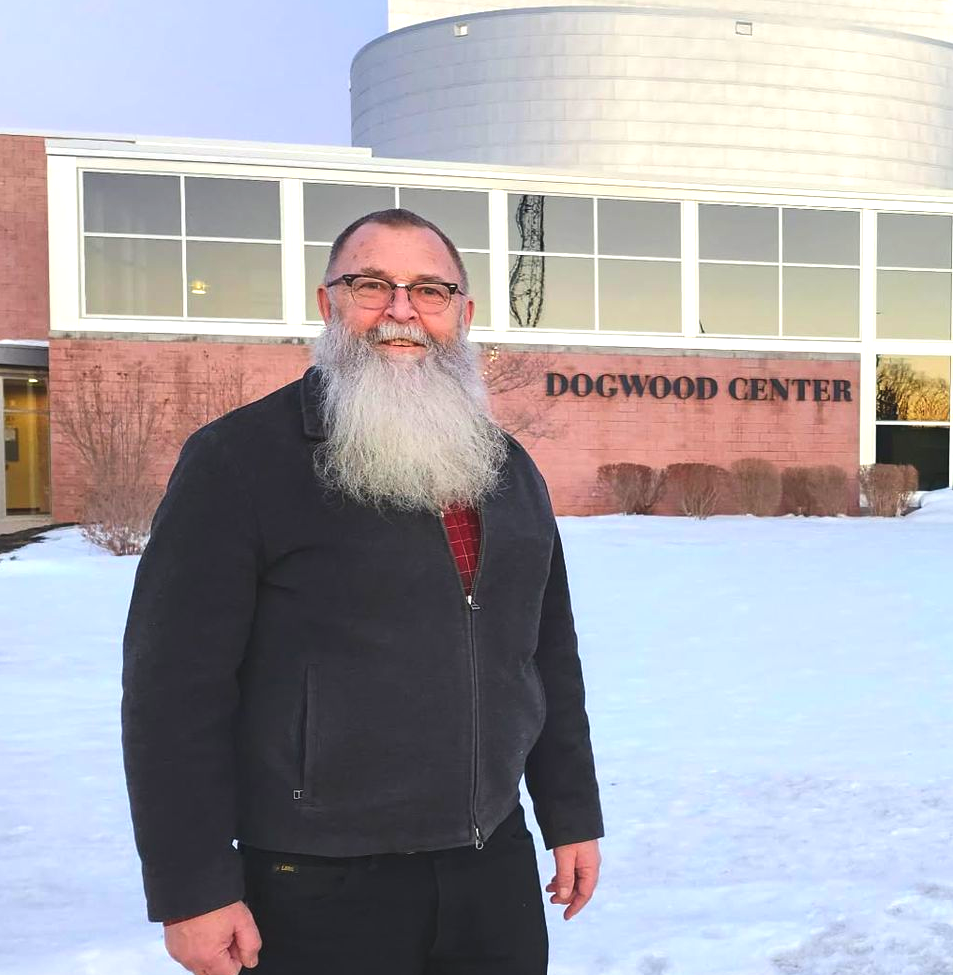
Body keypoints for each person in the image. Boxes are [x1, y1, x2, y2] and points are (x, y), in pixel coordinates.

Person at [122, 208, 603, 975]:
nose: (402, 311)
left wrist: (571, 810)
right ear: (329, 303)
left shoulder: (508, 469)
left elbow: (545, 651)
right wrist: (192, 888)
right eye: (372, 285)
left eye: (430, 291)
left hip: (492, 871)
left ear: (464, 313)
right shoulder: (238, 462)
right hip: (315, 884)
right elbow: (172, 692)